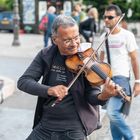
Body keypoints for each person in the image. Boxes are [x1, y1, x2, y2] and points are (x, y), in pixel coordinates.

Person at [17, 15, 120, 140]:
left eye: (76, 38)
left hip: (74, 128)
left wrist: (104, 96)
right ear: (55, 39)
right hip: (45, 125)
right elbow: (23, 82)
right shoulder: (46, 55)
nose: (74, 44)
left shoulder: (88, 56)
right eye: (67, 40)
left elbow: (92, 94)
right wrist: (49, 90)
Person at [100, 4, 140, 140]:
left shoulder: (127, 35)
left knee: (112, 113)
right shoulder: (103, 37)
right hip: (107, 80)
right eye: (105, 17)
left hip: (121, 78)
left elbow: (134, 60)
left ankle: (131, 136)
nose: (106, 20)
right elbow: (101, 63)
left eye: (110, 17)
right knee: (113, 118)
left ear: (118, 18)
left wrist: (138, 82)